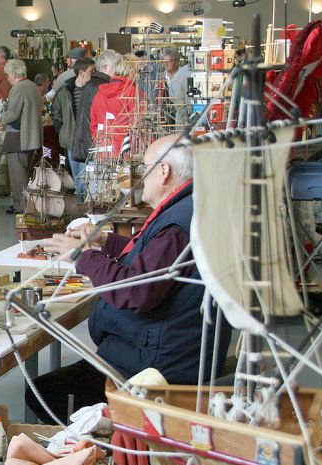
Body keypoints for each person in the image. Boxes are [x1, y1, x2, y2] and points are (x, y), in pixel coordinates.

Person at [28, 135, 228, 422]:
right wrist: (104, 242)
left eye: (144, 167)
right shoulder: (187, 210)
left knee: (42, 392)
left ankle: (93, 450)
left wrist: (82, 257)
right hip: (163, 347)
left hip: (155, 365)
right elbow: (151, 257)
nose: (139, 176)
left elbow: (136, 292)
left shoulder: (178, 225)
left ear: (164, 171)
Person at [0, 58, 42, 215]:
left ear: (13, 73)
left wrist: (2, 118)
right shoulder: (32, 86)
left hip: (19, 139)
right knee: (25, 174)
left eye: (8, 75)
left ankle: (22, 206)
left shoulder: (18, 89)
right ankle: (23, 204)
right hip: (32, 137)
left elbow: (12, 114)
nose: (7, 78)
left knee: (18, 176)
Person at [51, 59, 96, 201]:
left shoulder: (93, 89)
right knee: (78, 179)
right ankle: (79, 210)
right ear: (82, 73)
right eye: (91, 71)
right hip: (71, 140)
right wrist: (63, 130)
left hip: (89, 140)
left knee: (89, 178)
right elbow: (55, 112)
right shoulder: (65, 91)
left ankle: (87, 208)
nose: (93, 74)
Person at [69, 49, 115, 174]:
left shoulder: (93, 85)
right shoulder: (98, 86)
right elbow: (95, 118)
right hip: (92, 143)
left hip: (90, 142)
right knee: (88, 184)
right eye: (115, 67)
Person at [90, 53, 138, 158]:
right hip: (127, 151)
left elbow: (94, 124)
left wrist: (101, 141)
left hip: (104, 150)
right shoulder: (132, 92)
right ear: (131, 71)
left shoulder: (99, 93)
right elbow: (140, 122)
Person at [161, 48, 191, 126]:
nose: (166, 64)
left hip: (183, 115)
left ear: (177, 61)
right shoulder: (160, 77)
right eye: (164, 61)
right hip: (166, 116)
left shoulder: (183, 75)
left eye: (170, 61)